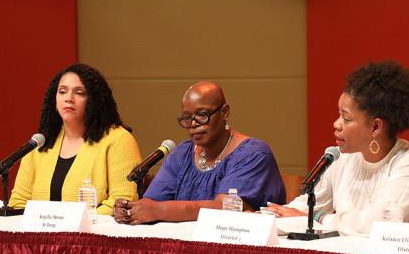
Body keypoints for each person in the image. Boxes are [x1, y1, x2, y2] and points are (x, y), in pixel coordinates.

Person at [265, 60, 409, 237]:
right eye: (339, 115)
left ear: (375, 127)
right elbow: (302, 208)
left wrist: (319, 217)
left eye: (346, 118)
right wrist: (262, 218)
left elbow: (376, 225)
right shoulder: (341, 158)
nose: (336, 124)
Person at [112, 82, 286, 224]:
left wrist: (161, 210)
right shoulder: (182, 153)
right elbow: (153, 202)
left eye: (202, 115)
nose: (193, 124)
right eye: (186, 118)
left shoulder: (253, 154)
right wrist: (132, 210)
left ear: (225, 112)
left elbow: (226, 209)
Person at [9, 63, 141, 214]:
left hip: (93, 234)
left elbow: (122, 200)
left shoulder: (118, 139)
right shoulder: (41, 143)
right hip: (41, 234)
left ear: (94, 100)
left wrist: (72, 222)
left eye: (79, 93)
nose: (69, 98)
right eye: (62, 92)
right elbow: (19, 201)